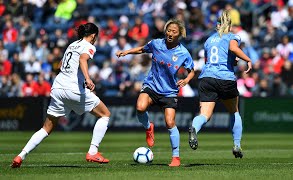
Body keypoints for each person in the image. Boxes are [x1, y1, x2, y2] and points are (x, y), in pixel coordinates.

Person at [11, 23, 111, 168]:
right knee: (105, 114)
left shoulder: (72, 45)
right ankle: (93, 151)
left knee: (47, 127)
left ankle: (21, 156)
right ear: (93, 35)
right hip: (73, 88)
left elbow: (60, 65)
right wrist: (88, 79)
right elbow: (83, 59)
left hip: (58, 87)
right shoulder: (89, 46)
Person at [116, 19, 195, 167]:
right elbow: (142, 49)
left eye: (174, 31)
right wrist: (127, 52)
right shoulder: (157, 43)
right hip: (151, 85)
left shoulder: (183, 53)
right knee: (140, 107)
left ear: (180, 34)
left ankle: (176, 157)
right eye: (169, 30)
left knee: (170, 123)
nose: (170, 33)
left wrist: (186, 80)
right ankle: (148, 127)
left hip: (169, 91)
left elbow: (192, 71)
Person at [188, 10, 252, 159]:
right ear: (229, 26)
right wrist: (247, 59)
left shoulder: (208, 40)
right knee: (234, 111)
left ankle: (194, 128)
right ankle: (237, 145)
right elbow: (233, 48)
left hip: (207, 78)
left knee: (204, 114)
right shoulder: (232, 36)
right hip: (225, 78)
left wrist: (232, 61)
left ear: (217, 26)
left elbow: (210, 61)